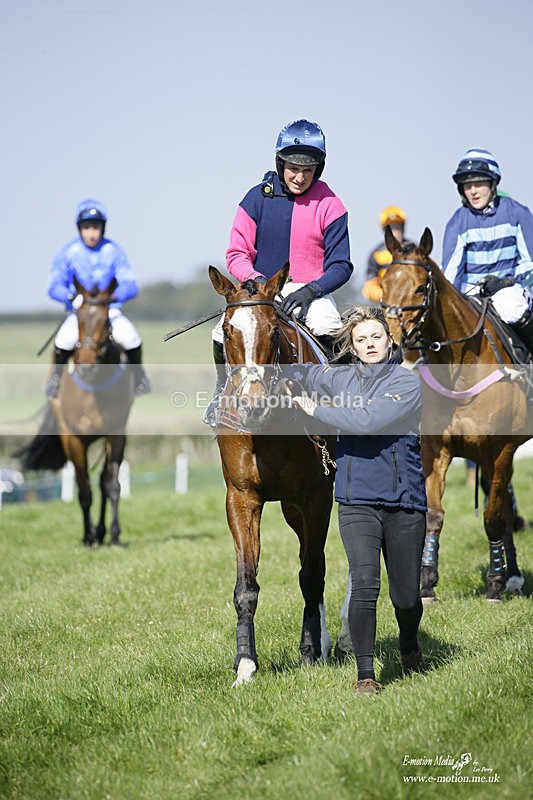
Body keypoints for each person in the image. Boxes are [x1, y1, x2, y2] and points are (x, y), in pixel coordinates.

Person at [287, 306, 427, 694]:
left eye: (376, 337)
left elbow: (367, 420)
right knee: (365, 586)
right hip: (356, 501)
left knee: (406, 598)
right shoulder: (341, 377)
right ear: (352, 345)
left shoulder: (406, 382)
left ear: (389, 340)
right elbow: (301, 367)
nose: (369, 344)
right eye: (361, 339)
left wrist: (314, 408)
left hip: (404, 502)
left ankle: (410, 644)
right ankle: (366, 675)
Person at [204, 118, 354, 427]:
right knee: (221, 330)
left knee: (329, 323)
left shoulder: (331, 204)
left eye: (308, 170)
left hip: (310, 292)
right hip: (259, 290)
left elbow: (341, 265)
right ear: (280, 163)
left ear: (319, 169)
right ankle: (223, 392)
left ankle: (342, 404)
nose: (300, 177)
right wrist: (258, 282)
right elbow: (236, 254)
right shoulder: (255, 198)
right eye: (293, 168)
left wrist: (311, 290)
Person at [46, 199, 151, 397]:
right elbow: (54, 286)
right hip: (79, 311)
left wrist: (115, 296)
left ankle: (139, 379)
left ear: (103, 228)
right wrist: (70, 297)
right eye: (87, 227)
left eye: (95, 227)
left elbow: (130, 284)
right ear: (80, 229)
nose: (91, 233)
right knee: (63, 341)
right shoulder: (68, 252)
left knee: (131, 339)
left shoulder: (114, 251)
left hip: (108, 310)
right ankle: (56, 381)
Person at [442, 148, 533, 354]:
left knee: (512, 309)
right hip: (470, 292)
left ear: (492, 184)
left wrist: (505, 282)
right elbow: (451, 274)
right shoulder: (457, 222)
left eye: (479, 184)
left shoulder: (518, 213)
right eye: (467, 185)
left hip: (509, 288)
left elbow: (531, 263)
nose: (473, 191)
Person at [362, 206, 412, 303]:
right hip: (386, 305)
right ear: (386, 232)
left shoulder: (414, 251)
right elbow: (369, 287)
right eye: (392, 229)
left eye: (398, 228)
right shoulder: (376, 254)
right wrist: (389, 296)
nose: (395, 233)